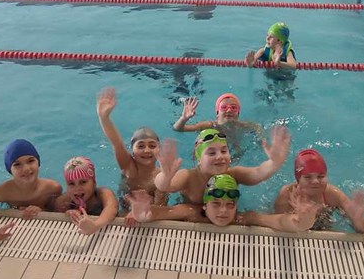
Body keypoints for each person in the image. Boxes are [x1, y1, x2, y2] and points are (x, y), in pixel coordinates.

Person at [126, 174, 321, 232]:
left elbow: (280, 222)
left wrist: (304, 219)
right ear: (204, 205)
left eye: (230, 204)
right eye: (216, 204)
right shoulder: (192, 212)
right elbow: (160, 213)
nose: (223, 211)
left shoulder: (243, 218)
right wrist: (142, 213)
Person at [155, 126, 290, 206]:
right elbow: (164, 186)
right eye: (211, 153)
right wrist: (166, 176)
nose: (220, 156)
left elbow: (258, 173)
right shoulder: (189, 176)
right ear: (199, 159)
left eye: (224, 151)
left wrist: (274, 162)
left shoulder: (234, 174)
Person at [96, 87, 167, 213]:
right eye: (141, 146)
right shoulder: (129, 167)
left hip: (150, 213)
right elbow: (117, 143)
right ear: (132, 151)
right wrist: (104, 118)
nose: (147, 150)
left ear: (159, 150)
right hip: (126, 211)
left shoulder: (161, 175)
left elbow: (161, 206)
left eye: (152, 146)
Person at [272, 149, 364, 232]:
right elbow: (275, 228)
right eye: (308, 177)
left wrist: (358, 219)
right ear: (298, 179)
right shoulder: (287, 195)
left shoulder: (332, 194)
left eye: (321, 176)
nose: (315, 181)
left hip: (323, 226)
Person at [51, 156, 118, 235]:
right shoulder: (64, 201)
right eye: (71, 183)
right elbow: (51, 214)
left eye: (83, 182)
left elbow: (111, 209)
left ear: (94, 182)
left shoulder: (103, 194)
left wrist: (95, 226)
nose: (77, 188)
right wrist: (68, 213)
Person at [172, 93, 262, 137]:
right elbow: (178, 129)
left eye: (234, 108)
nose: (229, 110)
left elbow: (257, 127)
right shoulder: (210, 126)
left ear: (238, 113)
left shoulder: (242, 126)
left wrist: (260, 136)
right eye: (224, 107)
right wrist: (183, 119)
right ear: (217, 113)